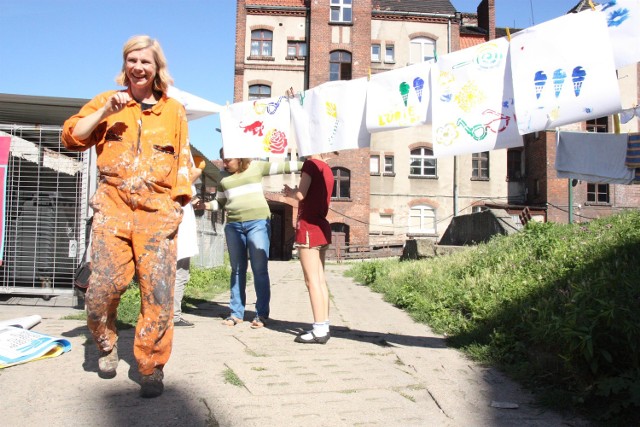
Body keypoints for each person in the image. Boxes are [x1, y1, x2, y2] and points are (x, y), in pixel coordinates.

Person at [61, 35, 192, 398]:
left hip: (157, 213)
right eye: (132, 60)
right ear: (125, 65)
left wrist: (176, 206)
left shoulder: (173, 110)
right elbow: (72, 136)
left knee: (158, 296)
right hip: (113, 209)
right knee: (101, 291)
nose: (138, 67)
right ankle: (105, 343)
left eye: (146, 61)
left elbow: (183, 161)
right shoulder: (106, 101)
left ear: (156, 68)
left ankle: (151, 365)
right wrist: (104, 114)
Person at [205, 149, 302, 329]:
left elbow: (284, 166)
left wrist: (312, 165)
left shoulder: (256, 167)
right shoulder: (222, 177)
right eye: (223, 160)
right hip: (234, 226)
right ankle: (236, 313)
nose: (224, 163)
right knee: (237, 270)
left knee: (259, 269)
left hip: (258, 223)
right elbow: (219, 203)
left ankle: (261, 314)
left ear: (240, 157)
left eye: (228, 160)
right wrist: (203, 205)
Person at [283, 152, 336, 344]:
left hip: (308, 226)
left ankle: (319, 329)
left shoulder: (311, 164)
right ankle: (324, 325)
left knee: (311, 281)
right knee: (321, 280)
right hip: (321, 225)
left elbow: (301, 194)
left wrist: (290, 192)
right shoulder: (327, 168)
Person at [173, 154, 206, 328]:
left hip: (177, 222)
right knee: (180, 272)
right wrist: (198, 170)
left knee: (177, 272)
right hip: (180, 226)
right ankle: (173, 315)